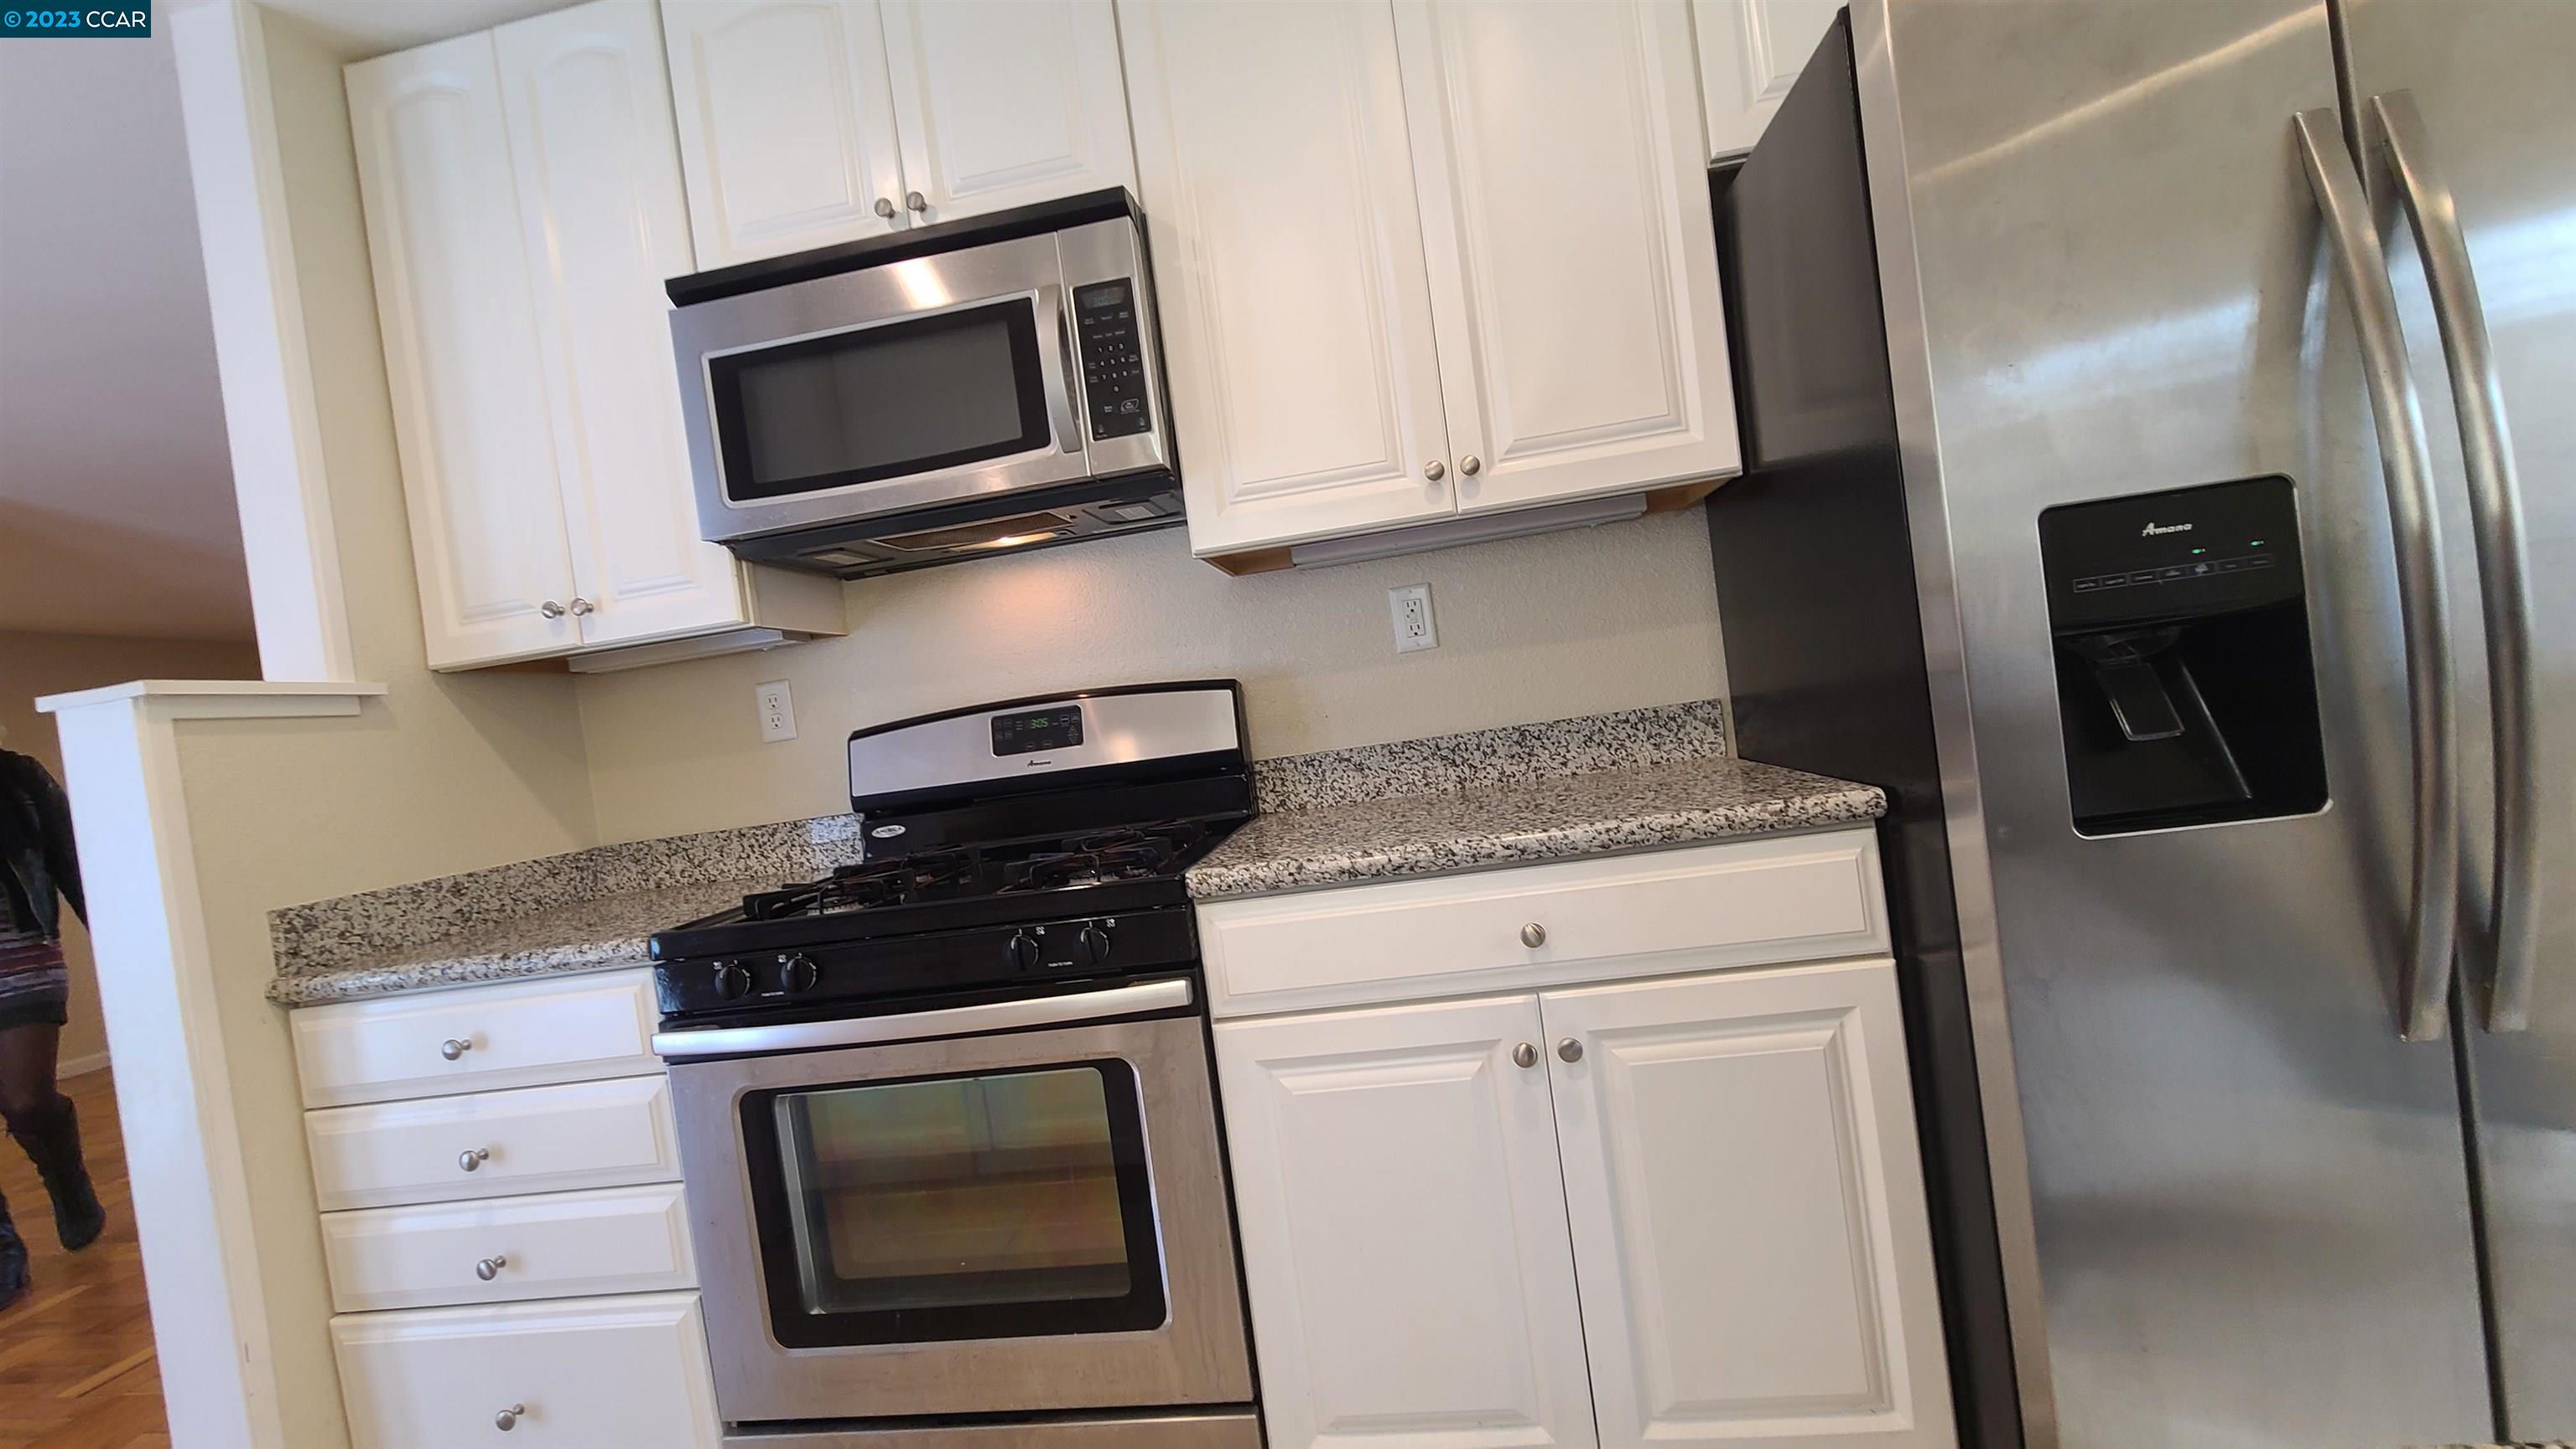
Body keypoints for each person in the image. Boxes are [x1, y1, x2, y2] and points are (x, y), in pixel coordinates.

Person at [0, 731, 105, 1311]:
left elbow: (78, 866)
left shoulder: (21, 779)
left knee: (26, 1100)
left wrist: (123, 947)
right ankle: (3, 1250)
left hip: (21, 954)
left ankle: (67, 1180)